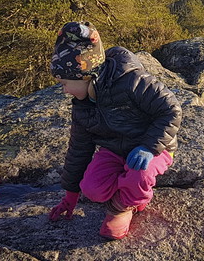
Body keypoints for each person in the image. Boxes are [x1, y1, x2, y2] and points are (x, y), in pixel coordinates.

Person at [47, 22, 181, 239]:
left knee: (141, 173)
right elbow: (78, 150)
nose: (64, 90)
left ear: (85, 76)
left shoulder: (131, 81)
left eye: (64, 83)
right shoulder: (82, 107)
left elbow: (171, 110)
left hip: (151, 147)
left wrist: (149, 146)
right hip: (115, 151)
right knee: (91, 189)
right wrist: (70, 195)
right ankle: (132, 191)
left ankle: (122, 207)